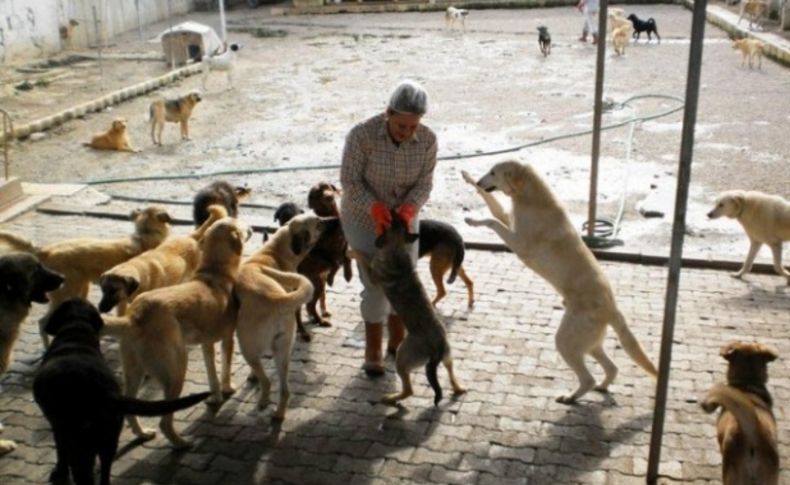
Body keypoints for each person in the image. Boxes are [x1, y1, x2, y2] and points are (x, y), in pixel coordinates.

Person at [339, 80, 438, 377]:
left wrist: (410, 208)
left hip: (403, 220)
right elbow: (349, 182)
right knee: (375, 285)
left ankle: (397, 341)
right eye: (400, 126)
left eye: (412, 127)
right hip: (362, 217)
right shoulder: (361, 135)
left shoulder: (429, 140)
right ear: (388, 113)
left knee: (404, 281)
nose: (407, 133)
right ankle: (372, 348)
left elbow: (424, 183)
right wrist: (375, 206)